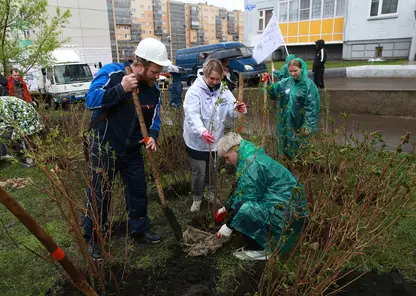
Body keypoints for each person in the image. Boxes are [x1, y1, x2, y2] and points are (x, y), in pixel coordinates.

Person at [84, 38, 171, 259]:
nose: (157, 76)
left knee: (138, 190)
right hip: (104, 147)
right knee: (99, 194)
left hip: (132, 149)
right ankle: (93, 238)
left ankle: (139, 229)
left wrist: (152, 136)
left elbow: (155, 120)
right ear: (140, 65)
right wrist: (121, 89)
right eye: (154, 71)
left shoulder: (153, 91)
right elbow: (91, 100)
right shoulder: (112, 72)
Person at [215, 132, 307, 260]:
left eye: (227, 157)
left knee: (244, 208)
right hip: (285, 207)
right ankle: (261, 241)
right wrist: (226, 208)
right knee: (240, 207)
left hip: (287, 213)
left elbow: (246, 199)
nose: (227, 162)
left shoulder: (251, 163)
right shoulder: (250, 156)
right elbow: (242, 189)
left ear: (235, 150)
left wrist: (228, 226)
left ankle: (259, 249)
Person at [183, 59, 246, 213]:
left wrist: (239, 108)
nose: (215, 82)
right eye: (212, 78)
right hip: (197, 141)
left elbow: (231, 110)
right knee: (199, 171)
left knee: (213, 168)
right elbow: (192, 115)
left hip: (215, 139)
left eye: (218, 79)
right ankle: (197, 198)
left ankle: (211, 193)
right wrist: (202, 131)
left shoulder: (223, 90)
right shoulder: (195, 91)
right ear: (205, 75)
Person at [267, 58, 320, 159]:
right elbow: (274, 94)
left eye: (295, 71)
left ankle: (300, 167)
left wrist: (308, 126)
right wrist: (268, 83)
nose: (292, 74)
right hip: (285, 123)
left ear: (302, 69)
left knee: (299, 148)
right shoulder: (285, 83)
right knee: (285, 145)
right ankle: (287, 164)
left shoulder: (308, 86)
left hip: (299, 123)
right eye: (290, 71)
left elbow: (311, 109)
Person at [0, 96, 43, 167]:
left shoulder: (1, 106)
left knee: (25, 137)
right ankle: (36, 158)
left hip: (26, 116)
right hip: (24, 114)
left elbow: (8, 121)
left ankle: (30, 161)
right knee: (29, 138)